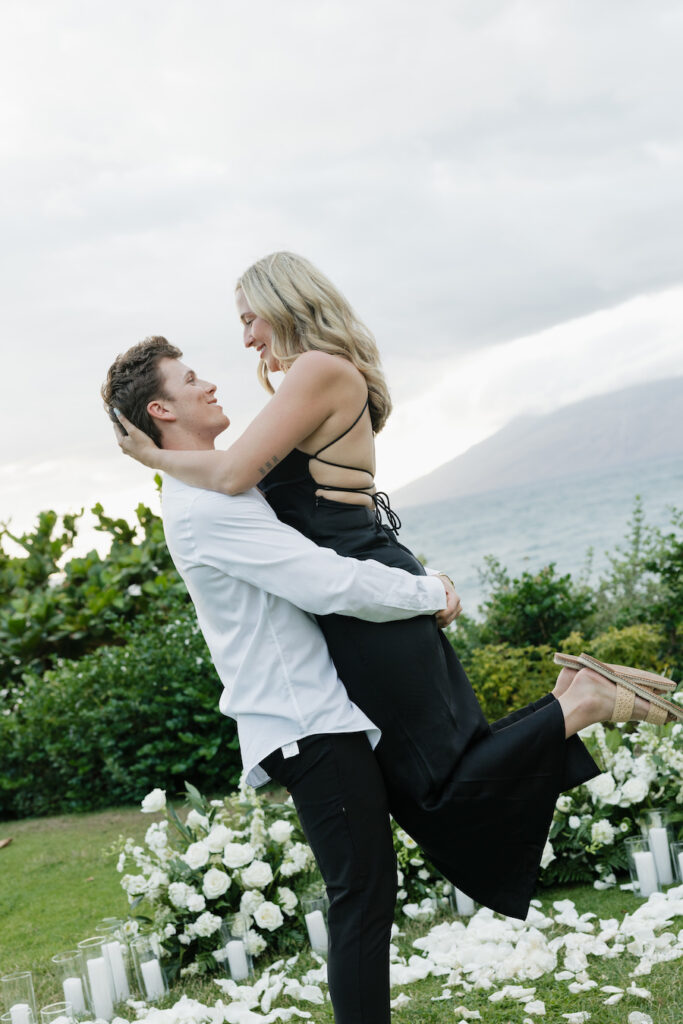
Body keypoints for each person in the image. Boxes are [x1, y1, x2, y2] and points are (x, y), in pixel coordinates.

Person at [112, 254, 679, 928]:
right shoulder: (308, 379)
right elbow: (235, 477)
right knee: (438, 774)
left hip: (363, 593)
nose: (245, 341)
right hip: (367, 585)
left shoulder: (315, 370)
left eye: (249, 320)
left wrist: (149, 455)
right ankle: (568, 700)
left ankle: (578, 702)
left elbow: (233, 472)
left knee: (430, 791)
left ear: (283, 303)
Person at [103, 336, 462, 1024]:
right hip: (304, 722)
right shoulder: (207, 505)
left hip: (315, 714)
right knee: (360, 893)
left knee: (366, 890)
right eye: (190, 379)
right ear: (161, 409)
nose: (210, 383)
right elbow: (323, 582)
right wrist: (428, 590)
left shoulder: (215, 483)